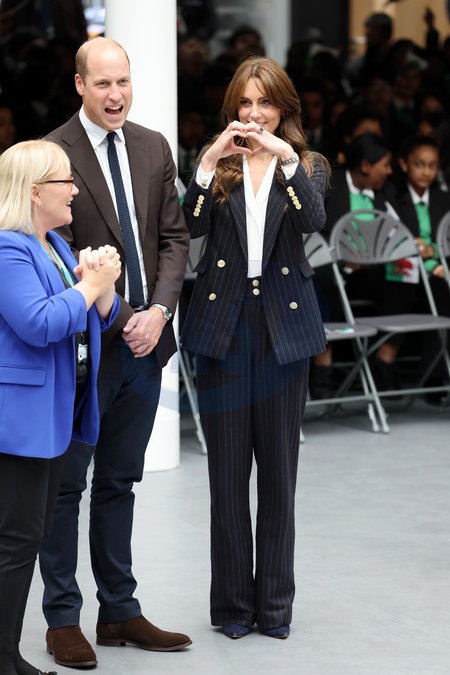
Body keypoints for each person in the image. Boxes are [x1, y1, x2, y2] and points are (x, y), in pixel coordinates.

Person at [38, 36, 191, 669]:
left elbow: (174, 239)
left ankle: (120, 612)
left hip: (146, 347)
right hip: (84, 350)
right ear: (79, 85)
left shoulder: (154, 146)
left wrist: (158, 314)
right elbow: (61, 250)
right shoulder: (54, 154)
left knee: (120, 481)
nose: (115, 94)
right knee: (66, 486)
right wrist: (128, 319)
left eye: (123, 81)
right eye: (102, 83)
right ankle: (61, 618)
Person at [180, 56, 329, 639]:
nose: (254, 112)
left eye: (265, 102)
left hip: (283, 330)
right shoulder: (218, 166)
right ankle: (231, 608)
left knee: (278, 478)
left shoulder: (307, 164)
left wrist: (286, 159)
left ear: (283, 107)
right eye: (245, 101)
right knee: (226, 478)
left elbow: (313, 220)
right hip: (224, 326)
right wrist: (206, 163)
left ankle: (274, 607)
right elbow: (190, 229)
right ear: (232, 107)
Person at [0, 138, 121, 675]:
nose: (74, 189)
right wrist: (90, 284)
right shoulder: (8, 248)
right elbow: (40, 322)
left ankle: (7, 654)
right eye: (65, 181)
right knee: (17, 541)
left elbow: (97, 314)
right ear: (34, 191)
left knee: (27, 537)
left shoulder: (51, 244)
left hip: (54, 412)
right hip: (21, 420)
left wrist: (100, 284)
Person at [310, 132, 416, 398]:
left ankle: (384, 362)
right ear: (366, 166)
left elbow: (399, 231)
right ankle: (323, 366)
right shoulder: (330, 189)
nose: (390, 171)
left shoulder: (387, 192)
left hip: (371, 271)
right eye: (385, 165)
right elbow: (315, 232)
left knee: (404, 277)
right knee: (323, 279)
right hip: (336, 267)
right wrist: (342, 257)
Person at [390, 134, 450, 403]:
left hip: (438, 266)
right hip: (405, 269)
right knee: (441, 290)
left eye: (432, 165)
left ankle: (436, 372)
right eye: (419, 164)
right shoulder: (392, 196)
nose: (426, 172)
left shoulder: (443, 199)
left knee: (442, 289)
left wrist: (434, 254)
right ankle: (434, 377)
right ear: (404, 164)